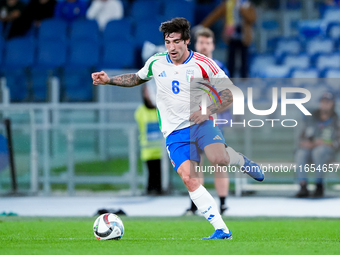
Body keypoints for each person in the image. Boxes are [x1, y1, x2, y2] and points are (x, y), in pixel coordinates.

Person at [92, 17, 264, 240]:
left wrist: (207, 110)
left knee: (218, 159)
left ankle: (240, 160)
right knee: (189, 178)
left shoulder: (203, 63)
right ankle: (221, 230)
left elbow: (230, 93)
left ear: (186, 41)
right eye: (167, 42)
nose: (171, 47)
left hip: (200, 123)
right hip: (174, 133)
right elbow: (136, 78)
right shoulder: (156, 62)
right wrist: (109, 80)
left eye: (176, 42)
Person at [184, 27, 231, 216]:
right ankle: (196, 205)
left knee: (218, 163)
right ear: (196, 44)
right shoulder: (187, 67)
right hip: (192, 122)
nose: (204, 46)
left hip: (213, 122)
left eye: (207, 43)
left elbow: (227, 96)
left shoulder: (218, 68)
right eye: (201, 42)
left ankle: (222, 204)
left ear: (212, 45)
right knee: (194, 164)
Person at [295, 92, 340, 198]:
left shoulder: (336, 120)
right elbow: (301, 138)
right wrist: (307, 143)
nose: (325, 104)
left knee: (318, 151)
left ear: (332, 104)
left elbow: (337, 142)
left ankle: (319, 185)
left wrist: (325, 142)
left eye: (328, 102)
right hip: (310, 149)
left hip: (328, 152)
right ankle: (303, 186)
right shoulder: (311, 118)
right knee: (300, 153)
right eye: (323, 102)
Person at [198, 0, 256, 78]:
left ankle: (244, 78)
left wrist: (242, 9)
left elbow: (252, 19)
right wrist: (203, 26)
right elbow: (215, 15)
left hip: (244, 36)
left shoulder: (246, 5)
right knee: (231, 59)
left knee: (244, 59)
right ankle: (230, 77)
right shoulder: (228, 4)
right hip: (231, 35)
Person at [134, 83, 163, 195]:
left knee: (160, 171)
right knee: (151, 172)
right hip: (148, 148)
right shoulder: (141, 111)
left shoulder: (160, 109)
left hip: (160, 149)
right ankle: (150, 189)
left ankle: (159, 189)